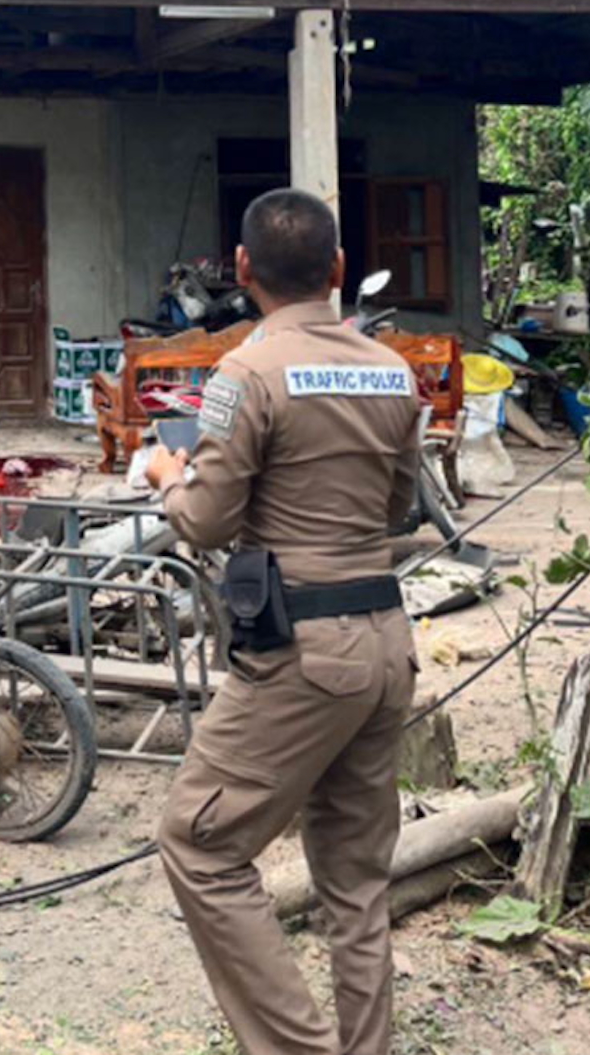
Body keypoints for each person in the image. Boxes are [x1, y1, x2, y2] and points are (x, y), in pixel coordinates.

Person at [144, 188, 421, 1055]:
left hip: (302, 651)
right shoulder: (392, 368)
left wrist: (165, 473)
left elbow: (207, 522)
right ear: (337, 270)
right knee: (356, 882)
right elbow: (400, 505)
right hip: (384, 638)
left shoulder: (247, 373)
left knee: (198, 843)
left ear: (242, 271)